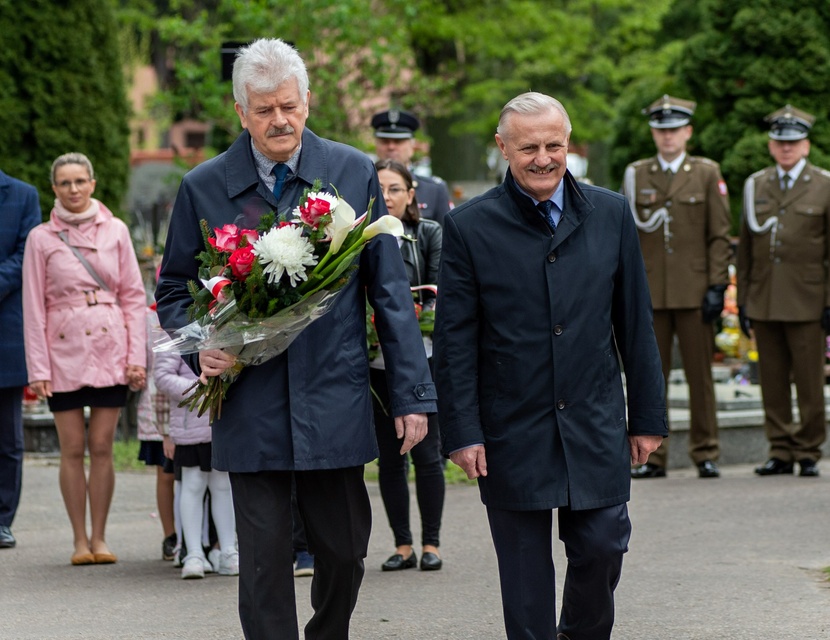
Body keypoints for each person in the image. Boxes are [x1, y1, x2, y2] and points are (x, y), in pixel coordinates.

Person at [155, 38, 436, 639]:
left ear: (308, 101)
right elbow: (174, 289)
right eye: (263, 110)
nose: (279, 120)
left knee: (343, 552)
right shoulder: (203, 186)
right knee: (262, 567)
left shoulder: (352, 171)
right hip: (249, 401)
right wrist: (200, 342)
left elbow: (388, 291)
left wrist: (412, 392)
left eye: (289, 105)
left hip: (333, 394)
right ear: (240, 112)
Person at [433, 92, 667, 640]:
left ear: (570, 145)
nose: (543, 158)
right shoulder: (468, 226)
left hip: (593, 420)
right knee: (524, 576)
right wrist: (463, 432)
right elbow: (455, 340)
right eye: (529, 147)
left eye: (554, 145)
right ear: (503, 148)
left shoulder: (610, 212)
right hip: (510, 426)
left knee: (604, 546)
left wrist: (648, 417)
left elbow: (635, 321)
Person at [22, 152, 147, 565]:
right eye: (65, 183)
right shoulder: (41, 238)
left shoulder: (116, 230)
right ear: (53, 189)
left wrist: (137, 357)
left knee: (103, 446)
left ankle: (101, 537)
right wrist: (38, 369)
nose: (73, 189)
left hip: (111, 345)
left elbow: (133, 296)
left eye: (80, 181)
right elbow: (33, 307)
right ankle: (79, 539)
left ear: (93, 183)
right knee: (72, 447)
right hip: (63, 350)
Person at [622, 95, 731, 479]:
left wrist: (718, 284)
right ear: (653, 133)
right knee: (650, 376)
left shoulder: (705, 172)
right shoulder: (637, 173)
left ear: (687, 132)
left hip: (694, 289)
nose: (667, 137)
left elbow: (719, 235)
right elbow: (627, 236)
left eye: (674, 130)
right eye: (661, 130)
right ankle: (654, 456)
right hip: (649, 291)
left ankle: (706, 452)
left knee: (701, 377)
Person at [737, 104, 830, 478]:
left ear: (806, 146)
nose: (786, 148)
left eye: (793, 142)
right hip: (764, 297)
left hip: (807, 299)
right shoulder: (756, 184)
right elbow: (745, 248)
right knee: (772, 381)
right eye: (779, 141)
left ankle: (808, 450)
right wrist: (743, 299)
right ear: (771, 146)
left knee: (808, 381)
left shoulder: (824, 184)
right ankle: (780, 449)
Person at [372, 159, 444, 572]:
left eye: (395, 188)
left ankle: (432, 542)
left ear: (411, 194)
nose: (387, 196)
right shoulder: (359, 239)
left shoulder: (428, 233)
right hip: (377, 363)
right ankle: (402, 544)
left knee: (427, 455)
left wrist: (409, 315)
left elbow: (438, 291)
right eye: (379, 187)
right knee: (390, 456)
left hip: (424, 358)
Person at [154, 350, 239, 579]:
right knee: (192, 485)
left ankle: (228, 549)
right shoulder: (176, 334)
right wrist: (198, 388)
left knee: (223, 486)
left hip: (222, 424)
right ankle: (192, 552)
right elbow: (162, 376)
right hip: (190, 425)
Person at [0, 169, 41, 550]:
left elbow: (24, 254)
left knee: (8, 437)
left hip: (5, 332)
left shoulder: (22, 195)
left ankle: (2, 519)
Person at [136, 300, 176, 560]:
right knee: (166, 474)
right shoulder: (147, 317)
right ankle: (170, 535)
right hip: (155, 409)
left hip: (192, 411)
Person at [372, 109, 453, 225]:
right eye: (385, 141)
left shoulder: (434, 190)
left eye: (398, 141)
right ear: (376, 144)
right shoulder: (363, 185)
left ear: (412, 145)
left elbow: (445, 236)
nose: (391, 147)